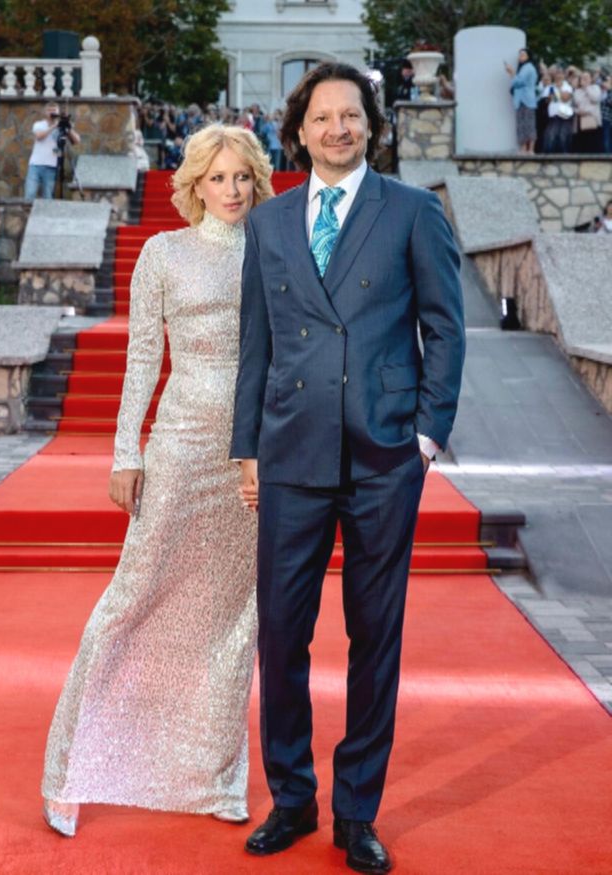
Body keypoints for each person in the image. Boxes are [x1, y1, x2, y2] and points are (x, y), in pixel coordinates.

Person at [231, 63, 465, 874]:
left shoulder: (412, 211)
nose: (339, 128)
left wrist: (426, 437)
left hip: (383, 454)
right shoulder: (269, 221)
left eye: (352, 116)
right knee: (281, 632)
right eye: (323, 117)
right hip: (291, 451)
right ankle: (292, 796)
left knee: (375, 635)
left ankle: (357, 810)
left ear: (371, 125)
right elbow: (256, 344)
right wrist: (246, 446)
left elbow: (445, 327)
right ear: (298, 132)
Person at [41, 124, 274, 837]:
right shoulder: (163, 253)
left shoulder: (274, 253)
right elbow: (142, 357)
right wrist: (126, 453)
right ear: (195, 184)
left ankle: (217, 780)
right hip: (179, 443)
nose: (231, 190)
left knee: (236, 616)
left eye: (242, 177)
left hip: (255, 453)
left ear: (257, 181)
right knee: (131, 596)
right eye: (218, 177)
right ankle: (66, 774)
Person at [24, 101, 80, 201]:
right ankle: (28, 211)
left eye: (54, 110)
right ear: (45, 112)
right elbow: (39, 136)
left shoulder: (61, 127)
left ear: (58, 112)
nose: (51, 112)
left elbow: (76, 141)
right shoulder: (39, 124)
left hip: (51, 167)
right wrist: (54, 126)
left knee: (48, 196)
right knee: (30, 194)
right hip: (35, 165)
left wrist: (68, 127)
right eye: (49, 110)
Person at [505, 48, 538, 154]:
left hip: (526, 100)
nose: (520, 57)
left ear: (528, 56)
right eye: (520, 55)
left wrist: (512, 73)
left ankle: (530, 149)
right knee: (522, 124)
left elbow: (519, 82)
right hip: (521, 100)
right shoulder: (524, 68)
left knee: (528, 124)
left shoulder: (528, 67)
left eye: (523, 55)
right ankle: (524, 148)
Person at [543, 68, 574, 154]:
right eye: (557, 74)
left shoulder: (568, 86)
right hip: (553, 116)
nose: (559, 76)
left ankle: (565, 156)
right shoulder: (550, 87)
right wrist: (558, 94)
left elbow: (565, 98)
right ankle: (550, 156)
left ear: (564, 75)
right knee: (551, 136)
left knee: (563, 136)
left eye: (561, 74)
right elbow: (548, 100)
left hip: (565, 116)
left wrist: (558, 89)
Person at [573, 70, 603, 153]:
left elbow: (595, 99)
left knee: (593, 146)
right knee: (582, 145)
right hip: (581, 120)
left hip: (593, 121)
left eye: (586, 77)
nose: (584, 79)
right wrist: (578, 111)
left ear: (591, 79)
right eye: (582, 78)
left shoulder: (596, 88)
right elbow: (575, 105)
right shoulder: (577, 91)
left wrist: (587, 87)